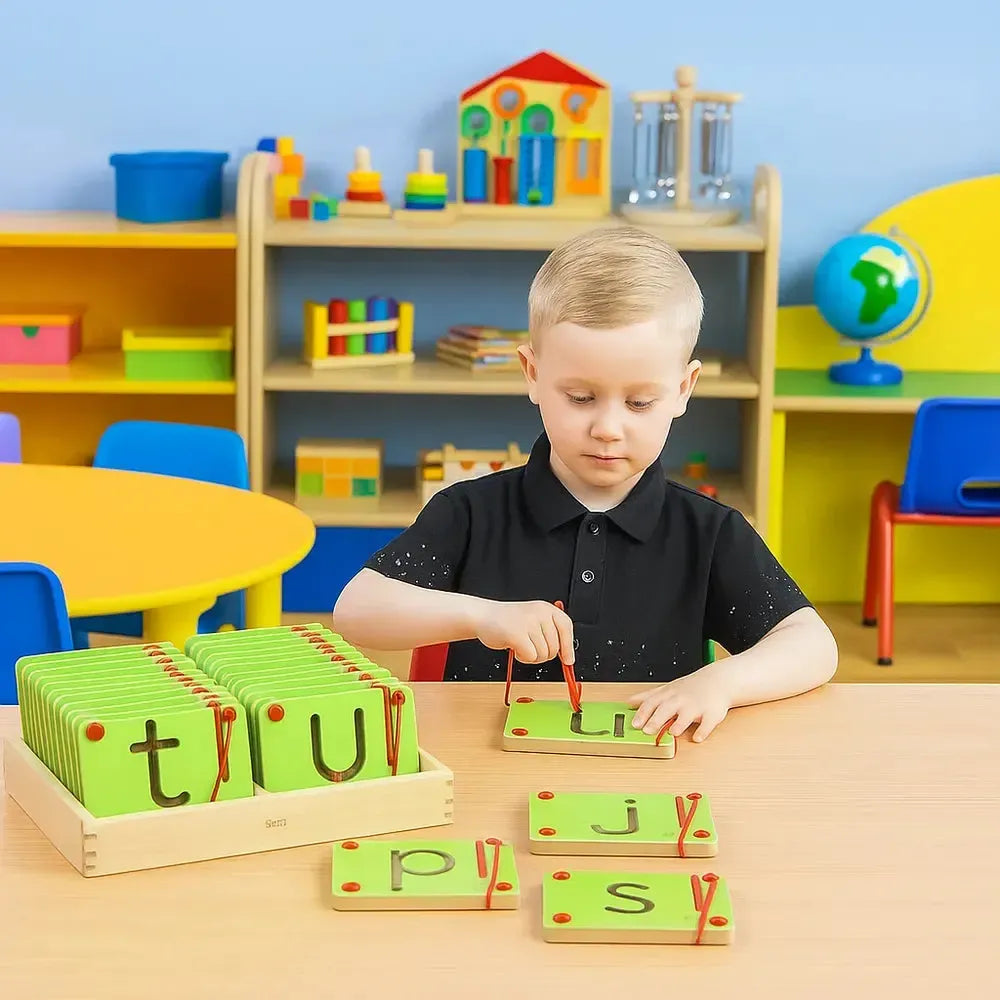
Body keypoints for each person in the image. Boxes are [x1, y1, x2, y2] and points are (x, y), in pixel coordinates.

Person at [333, 226, 837, 743]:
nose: (608, 427)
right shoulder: (469, 511)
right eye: (579, 397)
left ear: (684, 389)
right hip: (484, 767)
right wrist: (482, 615)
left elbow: (813, 646)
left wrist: (722, 682)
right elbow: (357, 611)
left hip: (651, 776)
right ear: (532, 373)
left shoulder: (709, 531)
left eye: (640, 403)